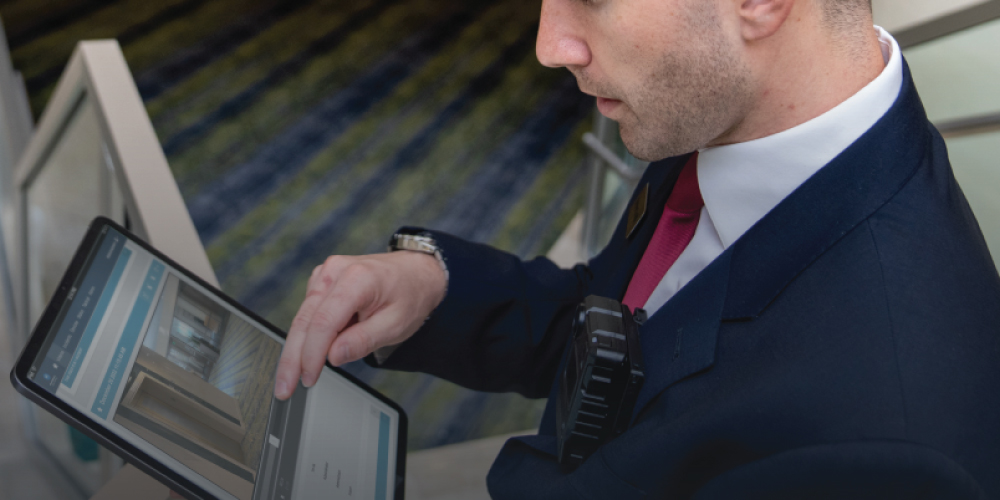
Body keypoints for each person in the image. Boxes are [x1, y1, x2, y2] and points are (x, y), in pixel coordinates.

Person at [274, 0, 1000, 497]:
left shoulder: (886, 455)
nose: (547, 45)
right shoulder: (728, 114)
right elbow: (636, 330)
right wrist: (435, 286)